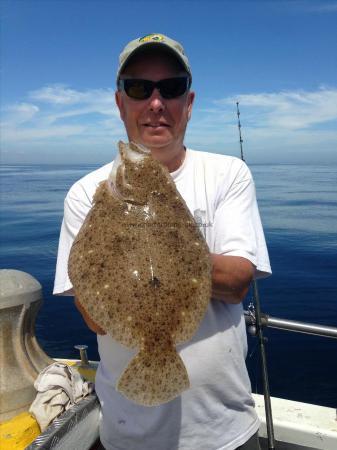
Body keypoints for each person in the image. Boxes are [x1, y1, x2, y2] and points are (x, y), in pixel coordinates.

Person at [54, 33, 271, 450]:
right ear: (121, 103)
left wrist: (165, 247)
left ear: (188, 103)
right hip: (128, 433)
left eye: (171, 88)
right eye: (139, 88)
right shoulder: (85, 192)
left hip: (226, 428)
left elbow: (238, 281)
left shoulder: (228, 173)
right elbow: (95, 318)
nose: (156, 103)